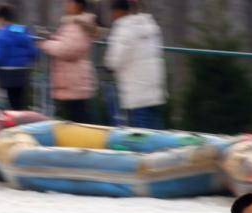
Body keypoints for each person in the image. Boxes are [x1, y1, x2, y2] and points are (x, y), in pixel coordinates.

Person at [104, 0, 167, 129]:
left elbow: (115, 59)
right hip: (154, 88)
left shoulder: (123, 28)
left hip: (136, 90)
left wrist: (108, 66)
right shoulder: (150, 24)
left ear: (118, 12)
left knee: (141, 133)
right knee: (156, 129)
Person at [39, 0, 97, 123]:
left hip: (74, 82)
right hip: (72, 81)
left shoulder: (77, 25)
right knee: (76, 119)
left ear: (78, 5)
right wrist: (54, 39)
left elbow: (67, 50)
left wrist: (47, 44)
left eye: (69, 2)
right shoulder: (74, 24)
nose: (66, 5)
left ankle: (85, 142)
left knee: (78, 120)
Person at [0, 5, 37, 110]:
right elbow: (32, 51)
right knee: (18, 103)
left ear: (1, 19)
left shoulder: (1, 35)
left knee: (4, 103)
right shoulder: (23, 30)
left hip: (6, 75)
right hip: (22, 73)